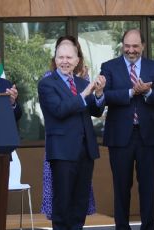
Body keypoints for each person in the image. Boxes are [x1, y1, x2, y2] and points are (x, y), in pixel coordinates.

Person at [38, 41, 106, 230]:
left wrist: (99, 94)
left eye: (69, 57)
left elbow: (96, 111)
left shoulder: (82, 82)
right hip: (62, 152)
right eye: (61, 57)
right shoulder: (47, 84)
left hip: (85, 151)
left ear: (77, 60)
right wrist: (84, 94)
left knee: (79, 203)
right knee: (63, 203)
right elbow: (59, 110)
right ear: (55, 59)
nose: (65, 61)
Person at [100, 29, 154, 230]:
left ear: (142, 46)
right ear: (122, 45)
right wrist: (130, 92)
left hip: (149, 137)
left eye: (135, 46)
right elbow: (105, 96)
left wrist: (148, 92)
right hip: (120, 137)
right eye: (127, 46)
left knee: (148, 188)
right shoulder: (109, 67)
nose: (131, 50)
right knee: (121, 188)